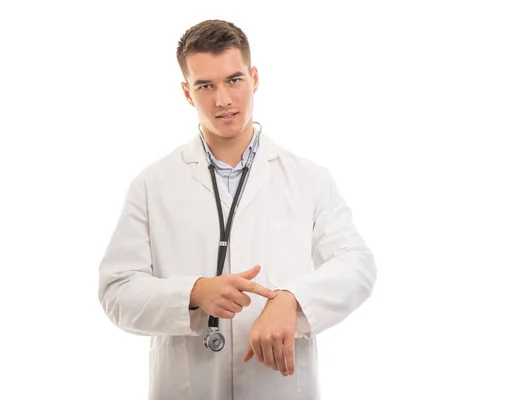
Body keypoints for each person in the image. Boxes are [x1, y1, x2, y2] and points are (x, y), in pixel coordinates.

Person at [98, 19, 376, 400]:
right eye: (205, 86)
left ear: (254, 77)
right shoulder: (152, 185)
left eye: (234, 80)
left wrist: (291, 299)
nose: (223, 100)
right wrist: (192, 294)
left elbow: (357, 266)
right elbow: (115, 292)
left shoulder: (308, 178)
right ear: (186, 92)